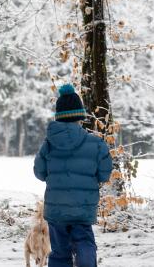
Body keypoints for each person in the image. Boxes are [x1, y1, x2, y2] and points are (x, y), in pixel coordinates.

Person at [33, 84, 113, 267]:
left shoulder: (48, 145)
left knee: (60, 252)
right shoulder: (96, 144)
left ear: (59, 115)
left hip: (56, 209)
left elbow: (39, 172)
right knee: (85, 243)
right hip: (83, 207)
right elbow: (104, 174)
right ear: (80, 116)